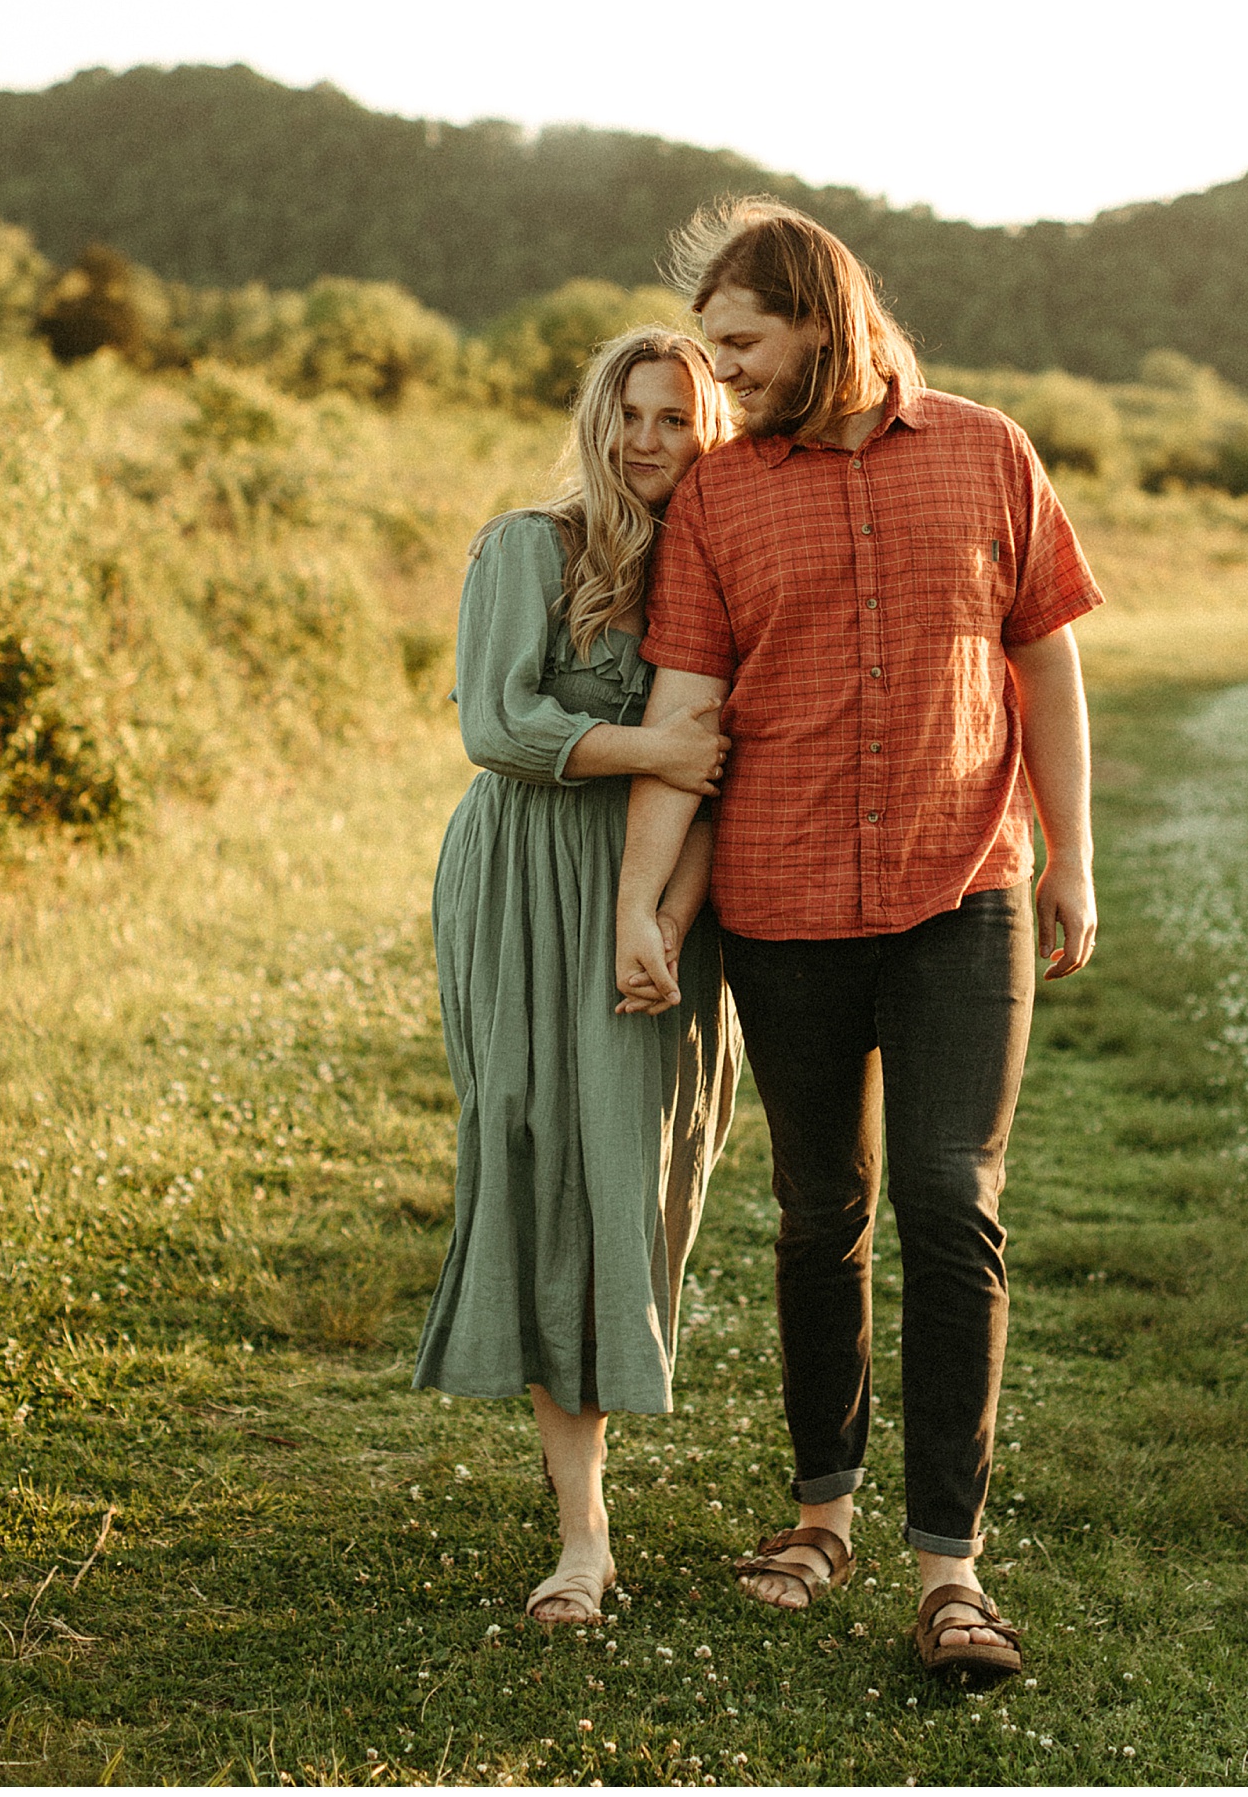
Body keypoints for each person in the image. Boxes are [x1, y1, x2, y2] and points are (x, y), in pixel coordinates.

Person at [614, 200, 1102, 1684]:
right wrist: (647, 899)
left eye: (744, 343)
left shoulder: (986, 447)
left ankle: (949, 1568)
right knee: (821, 1206)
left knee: (950, 1201)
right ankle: (819, 1514)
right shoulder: (716, 499)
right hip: (785, 904)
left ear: (822, 319)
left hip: (967, 890)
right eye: (713, 348)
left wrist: (1074, 852)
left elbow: (1046, 653)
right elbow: (690, 713)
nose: (727, 371)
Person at [412, 326, 742, 1626]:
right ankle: (582, 1534)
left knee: (626, 1174)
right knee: (537, 1151)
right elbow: (498, 724)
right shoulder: (524, 548)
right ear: (598, 423)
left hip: (656, 894)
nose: (651, 441)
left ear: (706, 430)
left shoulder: (718, 573)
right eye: (631, 415)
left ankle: (595, 1483)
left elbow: (718, 768)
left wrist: (663, 914)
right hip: (521, 885)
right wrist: (649, 738)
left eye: (678, 417)